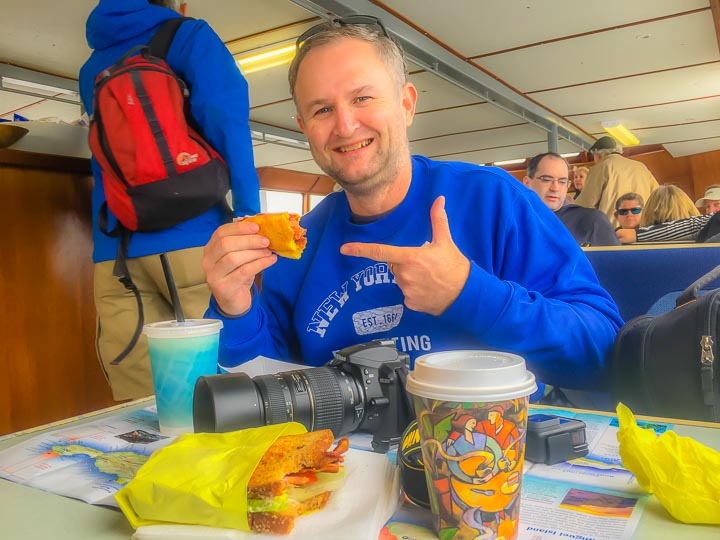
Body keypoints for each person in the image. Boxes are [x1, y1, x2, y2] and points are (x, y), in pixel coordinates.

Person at [201, 17, 623, 395]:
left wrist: (469, 294)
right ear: (304, 128)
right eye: (322, 109)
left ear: (406, 104)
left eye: (363, 98)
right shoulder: (297, 245)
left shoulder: (495, 200)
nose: (345, 125)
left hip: (488, 460)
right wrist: (235, 307)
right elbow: (263, 390)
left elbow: (603, 353)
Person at [79, 0, 260, 400]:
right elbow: (226, 118)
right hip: (196, 244)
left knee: (142, 397)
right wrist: (248, 212)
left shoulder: (92, 66)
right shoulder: (189, 36)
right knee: (229, 387)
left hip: (115, 251)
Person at [523, 153, 619, 247]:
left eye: (562, 182)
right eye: (546, 180)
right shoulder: (512, 221)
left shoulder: (593, 221)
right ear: (527, 183)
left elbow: (613, 261)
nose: (555, 188)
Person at [575, 136, 658, 228]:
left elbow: (585, 203)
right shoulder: (641, 167)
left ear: (597, 154)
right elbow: (658, 197)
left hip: (612, 230)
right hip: (642, 229)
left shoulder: (601, 167)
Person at [616, 185, 706, 244]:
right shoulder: (707, 239)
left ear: (647, 211)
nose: (629, 214)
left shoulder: (628, 245)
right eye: (623, 211)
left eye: (635, 210)